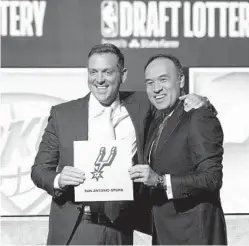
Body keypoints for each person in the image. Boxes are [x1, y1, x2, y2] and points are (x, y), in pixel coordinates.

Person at [31, 44, 211, 245]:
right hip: (76, 228)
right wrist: (59, 180)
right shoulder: (62, 115)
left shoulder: (143, 105)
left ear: (123, 75)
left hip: (121, 229)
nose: (99, 79)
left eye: (107, 72)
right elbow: (39, 170)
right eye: (93, 72)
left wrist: (201, 101)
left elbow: (172, 101)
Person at [129, 54, 227, 245]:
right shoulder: (156, 119)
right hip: (163, 233)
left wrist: (159, 181)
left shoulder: (198, 116)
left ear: (181, 80)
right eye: (149, 82)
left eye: (163, 79)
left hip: (194, 236)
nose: (156, 88)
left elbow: (212, 179)